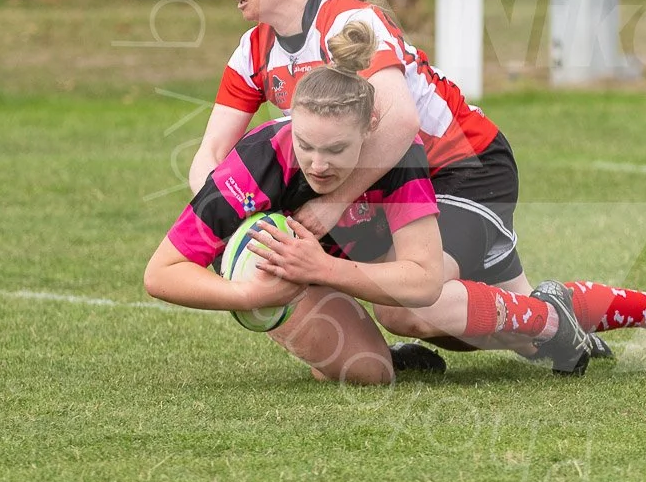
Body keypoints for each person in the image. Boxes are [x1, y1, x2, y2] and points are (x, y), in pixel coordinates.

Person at [190, 0, 646, 373]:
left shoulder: (347, 24)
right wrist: (224, 225)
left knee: (409, 305)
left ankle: (549, 323)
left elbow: (402, 124)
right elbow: (212, 152)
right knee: (499, 317)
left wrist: (330, 211)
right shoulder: (255, 48)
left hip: (460, 169)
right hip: (395, 189)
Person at [146, 19, 594, 383]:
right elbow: (161, 273)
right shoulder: (254, 165)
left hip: (358, 252)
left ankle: (549, 319)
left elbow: (423, 282)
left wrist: (321, 268)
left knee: (419, 314)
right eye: (306, 146)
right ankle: (387, 354)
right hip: (294, 271)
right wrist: (245, 293)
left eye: (337, 150)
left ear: (370, 130)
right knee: (369, 373)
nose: (319, 164)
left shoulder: (399, 153)